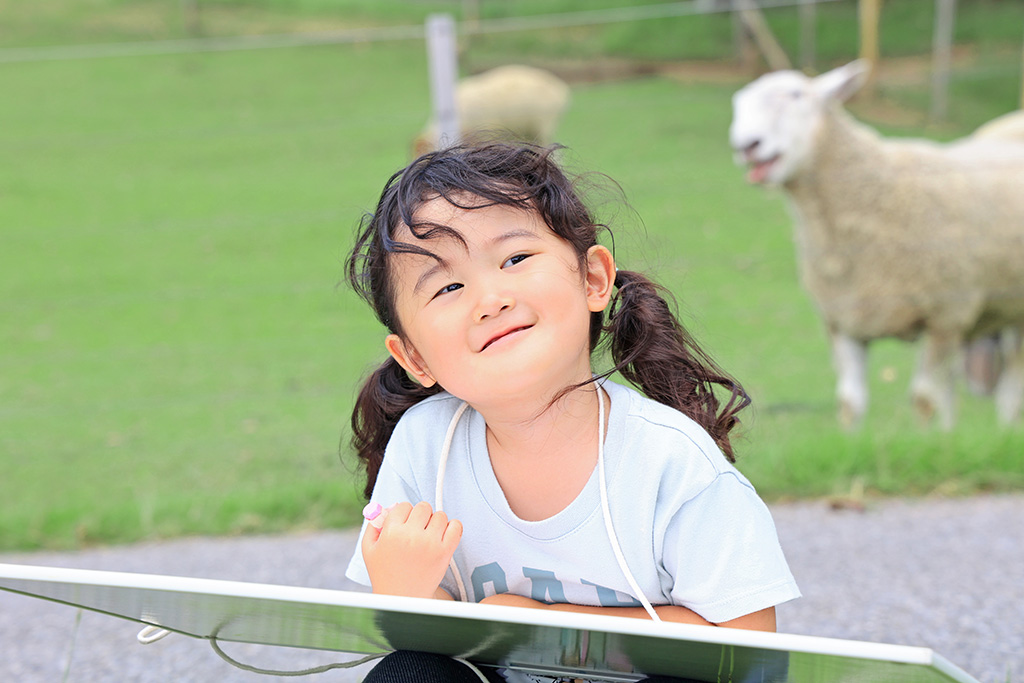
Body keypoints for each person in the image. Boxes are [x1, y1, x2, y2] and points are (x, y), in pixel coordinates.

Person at [344, 143, 800, 682]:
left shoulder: (671, 462)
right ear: (415, 357)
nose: (490, 299)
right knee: (409, 670)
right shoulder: (425, 446)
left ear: (593, 280)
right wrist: (407, 596)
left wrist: (549, 629)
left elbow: (748, 653)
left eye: (514, 259)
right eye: (448, 286)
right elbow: (431, 647)